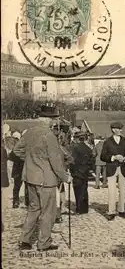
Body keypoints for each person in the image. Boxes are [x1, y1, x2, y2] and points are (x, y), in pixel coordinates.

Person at [14, 104, 71, 251]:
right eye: (53, 118)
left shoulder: (29, 132)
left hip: (30, 177)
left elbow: (17, 150)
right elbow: (56, 160)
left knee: (33, 209)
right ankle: (44, 243)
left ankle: (24, 240)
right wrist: (65, 177)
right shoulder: (49, 135)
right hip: (46, 180)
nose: (54, 121)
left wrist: (29, 160)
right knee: (48, 212)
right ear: (47, 119)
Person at [100, 122, 125, 221]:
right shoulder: (107, 142)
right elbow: (102, 156)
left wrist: (124, 158)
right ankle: (111, 212)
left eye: (121, 129)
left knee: (123, 190)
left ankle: (121, 210)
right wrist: (113, 157)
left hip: (123, 168)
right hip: (111, 168)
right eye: (119, 129)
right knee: (111, 191)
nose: (121, 130)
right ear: (113, 129)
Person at [70, 132, 95, 214]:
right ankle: (84, 209)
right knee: (84, 189)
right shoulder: (88, 148)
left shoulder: (75, 147)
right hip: (85, 171)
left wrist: (71, 170)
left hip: (77, 171)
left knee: (77, 190)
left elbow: (72, 160)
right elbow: (92, 160)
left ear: (77, 138)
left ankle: (79, 208)